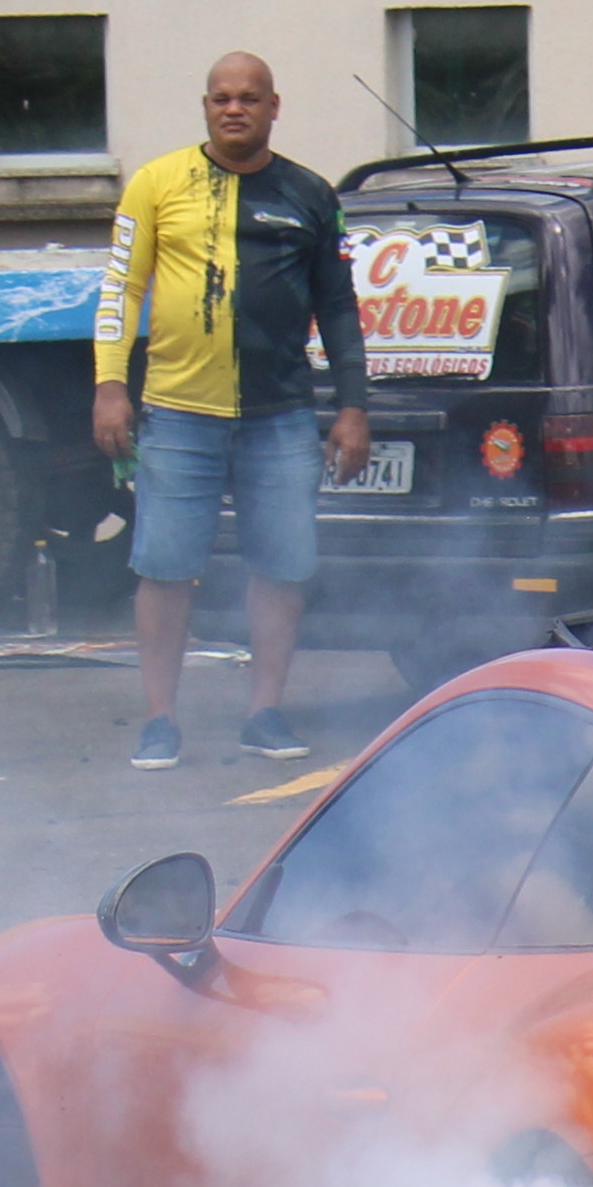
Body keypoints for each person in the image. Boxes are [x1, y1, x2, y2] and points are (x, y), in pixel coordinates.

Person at [92, 52, 372, 768]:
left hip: (278, 413)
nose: (234, 108)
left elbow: (338, 307)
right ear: (206, 106)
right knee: (165, 567)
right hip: (178, 411)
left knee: (281, 567)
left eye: (249, 97)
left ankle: (265, 712)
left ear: (275, 106)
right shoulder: (157, 185)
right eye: (221, 98)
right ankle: (160, 719)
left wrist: (353, 407)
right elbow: (121, 289)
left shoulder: (310, 194)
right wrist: (110, 385)